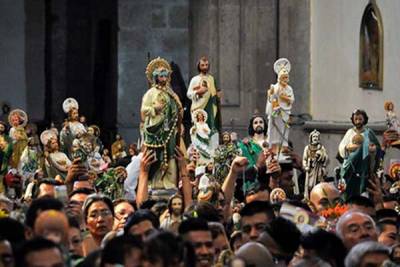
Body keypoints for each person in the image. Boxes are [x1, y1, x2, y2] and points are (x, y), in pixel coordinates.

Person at [141, 57, 183, 193]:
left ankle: (170, 181)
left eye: (166, 75)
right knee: (156, 155)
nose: (163, 78)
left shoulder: (171, 93)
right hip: (155, 129)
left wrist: (178, 111)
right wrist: (155, 109)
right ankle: (155, 181)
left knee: (170, 154)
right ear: (155, 77)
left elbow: (178, 108)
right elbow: (143, 111)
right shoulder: (150, 93)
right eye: (161, 76)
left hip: (169, 129)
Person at [338, 109, 381, 199]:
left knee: (362, 190)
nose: (358, 121)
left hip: (364, 165)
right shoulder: (350, 132)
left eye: (360, 119)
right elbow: (342, 146)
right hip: (351, 164)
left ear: (364, 120)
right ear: (353, 120)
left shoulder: (369, 133)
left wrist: (373, 150)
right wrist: (347, 147)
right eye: (356, 119)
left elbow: (377, 147)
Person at [266, 58, 295, 158]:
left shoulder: (289, 88)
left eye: (286, 78)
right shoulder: (275, 87)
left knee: (285, 129)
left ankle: (284, 147)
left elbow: (291, 100)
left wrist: (284, 97)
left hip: (285, 111)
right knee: (274, 129)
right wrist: (271, 94)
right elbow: (271, 99)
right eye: (283, 78)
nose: (285, 80)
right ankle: (272, 148)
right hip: (276, 111)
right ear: (279, 78)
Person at [187, 56, 221, 135]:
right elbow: (188, 94)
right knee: (199, 129)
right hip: (199, 107)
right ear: (199, 66)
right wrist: (197, 92)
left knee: (211, 126)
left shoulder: (212, 79)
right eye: (202, 65)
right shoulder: (195, 79)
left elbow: (215, 92)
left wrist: (217, 95)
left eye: (206, 65)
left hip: (211, 107)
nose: (205, 67)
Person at [303, 130, 328, 199]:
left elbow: (326, 157)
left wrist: (321, 155)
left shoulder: (321, 148)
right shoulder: (307, 148)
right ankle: (309, 198)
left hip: (318, 169)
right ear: (311, 138)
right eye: (314, 136)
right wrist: (305, 167)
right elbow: (304, 159)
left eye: (317, 137)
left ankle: (317, 198)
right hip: (310, 169)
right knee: (309, 185)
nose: (315, 138)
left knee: (318, 185)